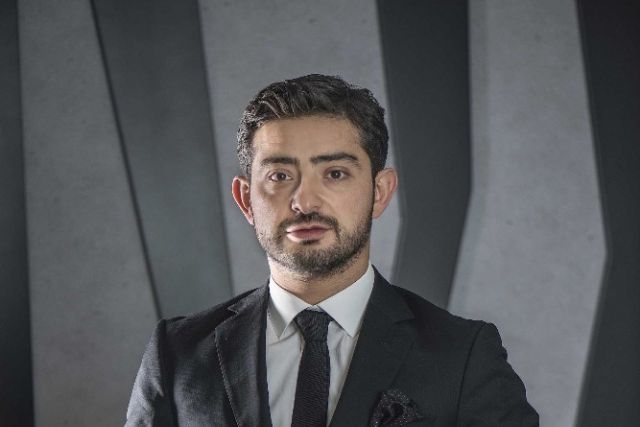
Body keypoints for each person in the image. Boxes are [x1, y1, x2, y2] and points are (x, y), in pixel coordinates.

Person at [125, 74, 538, 426]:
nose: (305, 201)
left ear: (379, 192)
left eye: (335, 173)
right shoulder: (177, 353)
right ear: (246, 199)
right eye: (280, 175)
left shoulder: (463, 356)